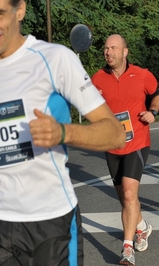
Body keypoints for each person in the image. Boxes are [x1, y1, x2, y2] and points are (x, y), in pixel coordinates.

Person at [0, 1, 126, 265]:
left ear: (20, 10)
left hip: (49, 222)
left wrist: (62, 133)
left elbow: (115, 133)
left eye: (0, 13)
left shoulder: (54, 59)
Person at [92, 34, 159, 265]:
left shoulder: (142, 74)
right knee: (124, 198)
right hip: (112, 144)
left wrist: (152, 112)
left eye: (113, 48)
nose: (108, 52)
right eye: (106, 48)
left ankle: (127, 249)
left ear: (125, 52)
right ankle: (142, 226)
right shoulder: (97, 78)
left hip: (137, 141)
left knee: (129, 192)